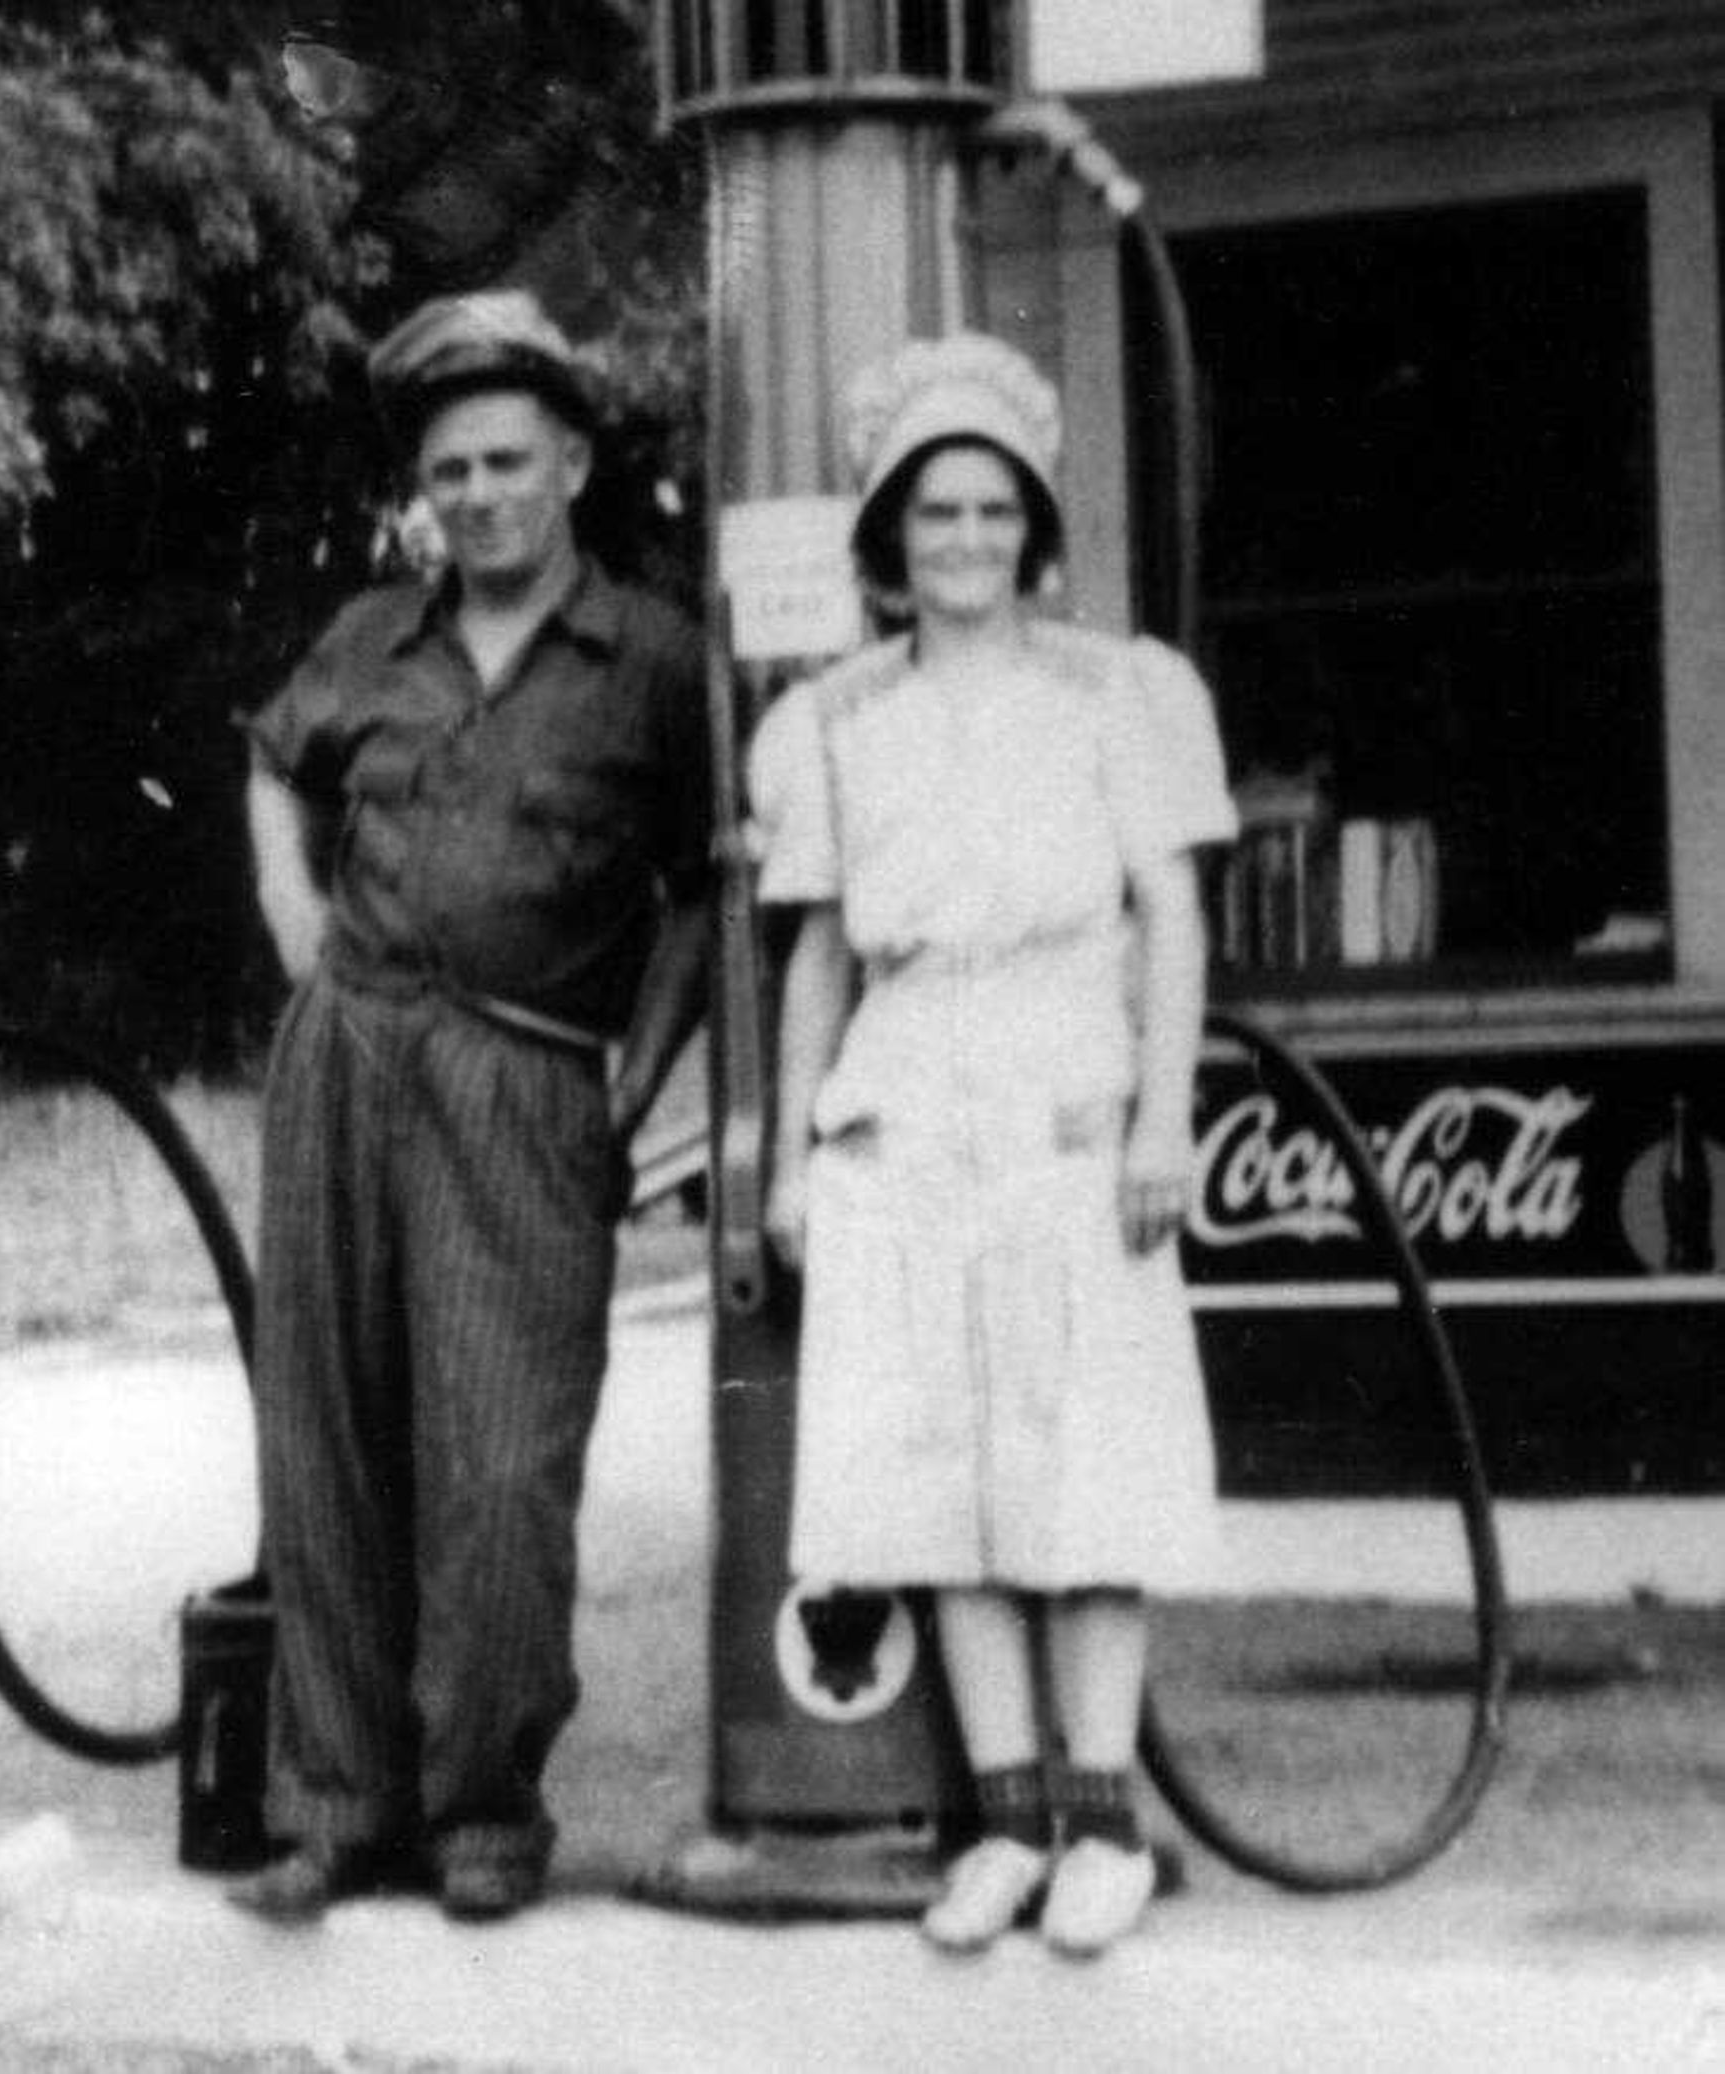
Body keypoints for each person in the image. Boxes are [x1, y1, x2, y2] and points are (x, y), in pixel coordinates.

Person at [750, 333, 1236, 1957]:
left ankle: (1106, 1821)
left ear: (1034, 526)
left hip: (1065, 1093)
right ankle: (1010, 1822)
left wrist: (1167, 1115)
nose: (963, 540)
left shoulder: (1123, 689)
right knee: (939, 1477)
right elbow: (817, 945)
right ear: (890, 538)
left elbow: (1170, 912)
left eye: (990, 510)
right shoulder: (832, 719)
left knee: (1080, 1458)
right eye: (932, 512)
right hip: (903, 1102)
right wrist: (790, 1160)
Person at [229, 289, 710, 1924]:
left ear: (571, 461)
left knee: (501, 1465)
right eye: (452, 471)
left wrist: (641, 1062)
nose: (481, 494)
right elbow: (268, 764)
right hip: (349, 1060)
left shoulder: (654, 659)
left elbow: (715, 884)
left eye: (509, 460)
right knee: (329, 1439)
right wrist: (302, 940)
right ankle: (335, 1807)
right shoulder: (372, 637)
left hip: (524, 1072)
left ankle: (484, 1813)